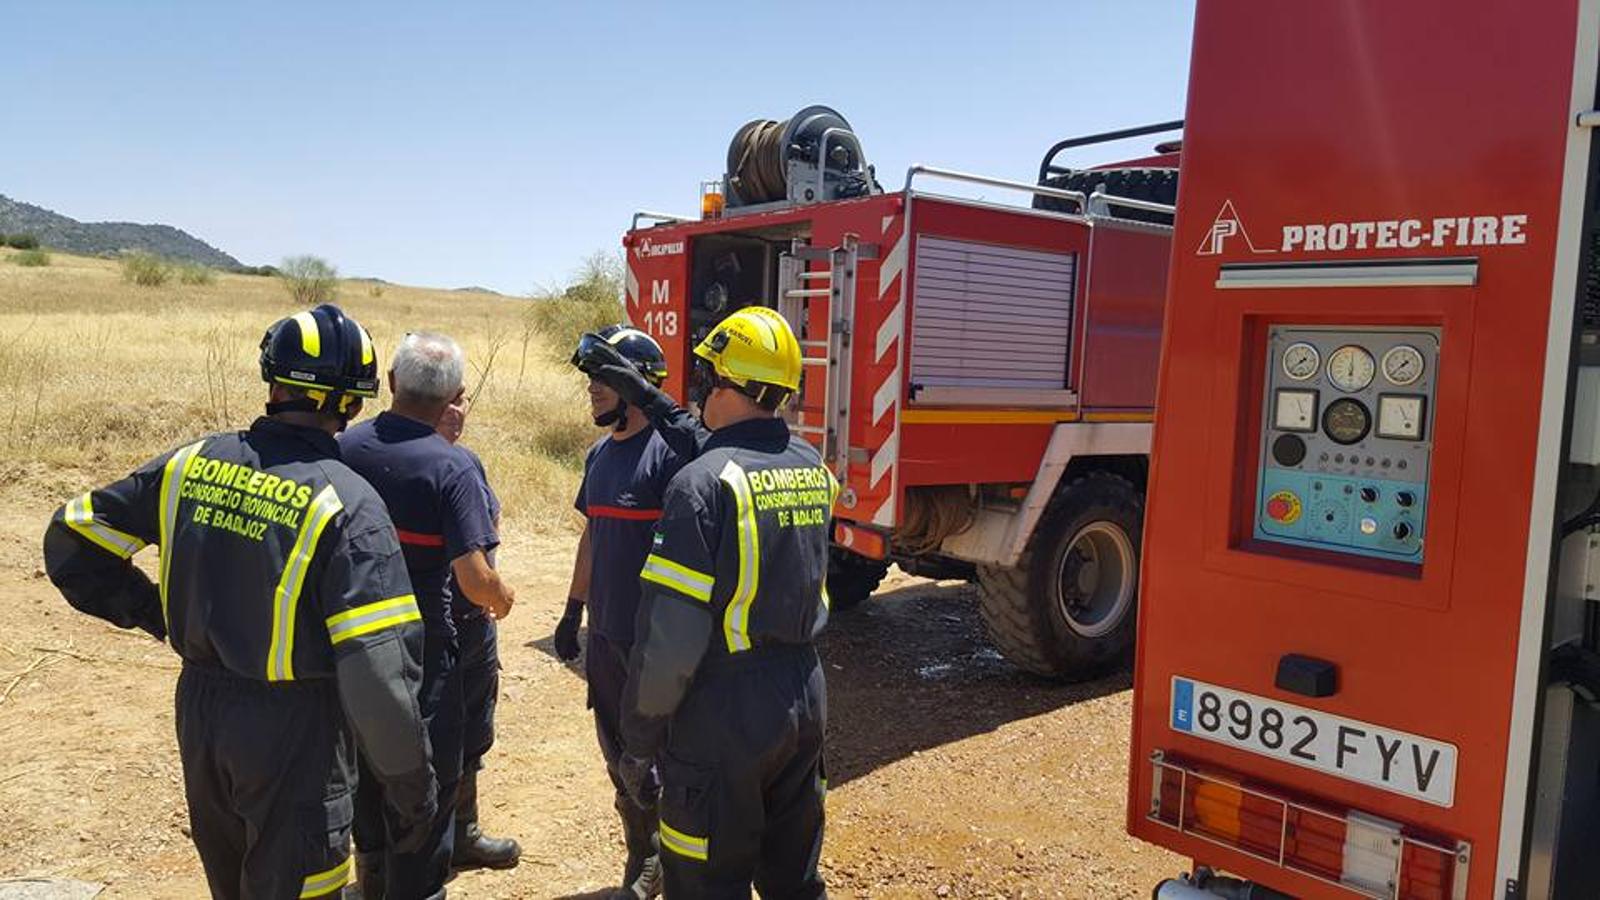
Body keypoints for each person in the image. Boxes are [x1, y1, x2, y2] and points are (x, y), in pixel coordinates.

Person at [41, 304, 437, 900]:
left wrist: (155, 613)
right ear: (354, 403)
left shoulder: (189, 463)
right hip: (295, 731)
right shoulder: (349, 504)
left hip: (202, 712)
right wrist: (413, 789)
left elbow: (73, 536)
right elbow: (379, 671)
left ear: (272, 381)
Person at [606, 307, 836, 898]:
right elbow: (723, 447)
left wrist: (637, 742)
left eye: (708, 373)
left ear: (725, 383)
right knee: (795, 878)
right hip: (803, 696)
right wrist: (649, 399)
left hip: (724, 713)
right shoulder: (810, 465)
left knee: (707, 882)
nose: (701, 383)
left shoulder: (698, 487)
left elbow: (669, 642)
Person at [339, 332, 516, 900]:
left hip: (354, 640)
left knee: (367, 765)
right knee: (428, 779)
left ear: (391, 384)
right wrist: (502, 598)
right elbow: (474, 579)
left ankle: (372, 879)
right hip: (426, 650)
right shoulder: (454, 468)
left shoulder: (344, 448)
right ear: (456, 397)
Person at [560, 324, 686, 900]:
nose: (592, 390)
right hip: (607, 635)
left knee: (666, 754)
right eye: (591, 380)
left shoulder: (669, 457)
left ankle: (684, 862)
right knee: (617, 753)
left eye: (604, 380)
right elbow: (594, 535)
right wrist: (571, 610)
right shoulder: (598, 454)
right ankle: (645, 851)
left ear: (636, 385)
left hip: (657, 644)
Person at [435, 398, 522, 871]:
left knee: (472, 733)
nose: (456, 409)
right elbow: (475, 571)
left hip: (473, 627)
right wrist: (499, 596)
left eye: (462, 397)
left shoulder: (468, 464)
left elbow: (489, 531)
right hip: (430, 629)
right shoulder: (385, 458)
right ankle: (412, 851)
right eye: (446, 397)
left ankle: (463, 833)